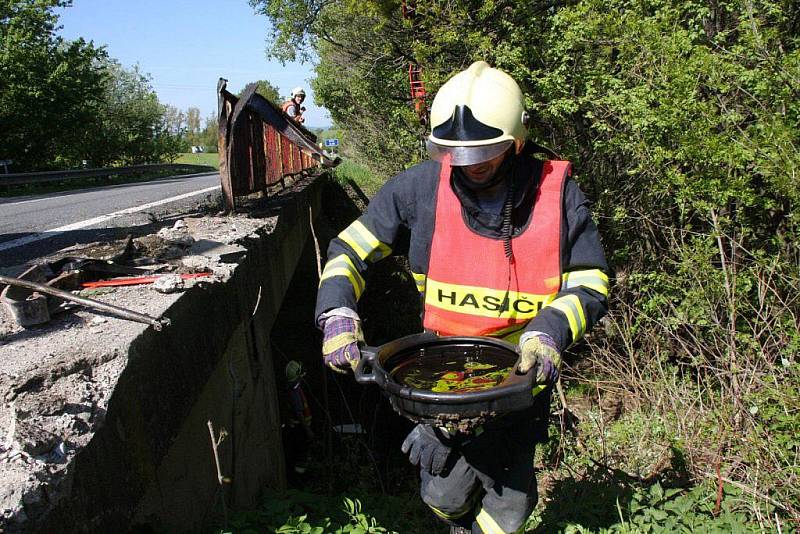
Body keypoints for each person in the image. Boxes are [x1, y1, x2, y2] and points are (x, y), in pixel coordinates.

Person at [315, 61, 609, 533]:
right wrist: (337, 313)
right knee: (444, 493)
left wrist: (550, 331)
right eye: (454, 154)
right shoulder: (419, 190)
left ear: (515, 144)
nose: (468, 166)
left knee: (509, 505)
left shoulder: (557, 197)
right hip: (439, 380)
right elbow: (349, 249)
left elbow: (590, 280)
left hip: (519, 378)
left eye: (484, 156)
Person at [282, 360, 314, 476]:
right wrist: (308, 431)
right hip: (299, 429)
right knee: (301, 453)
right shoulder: (294, 393)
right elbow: (299, 414)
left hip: (297, 428)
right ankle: (300, 476)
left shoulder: (292, 388)